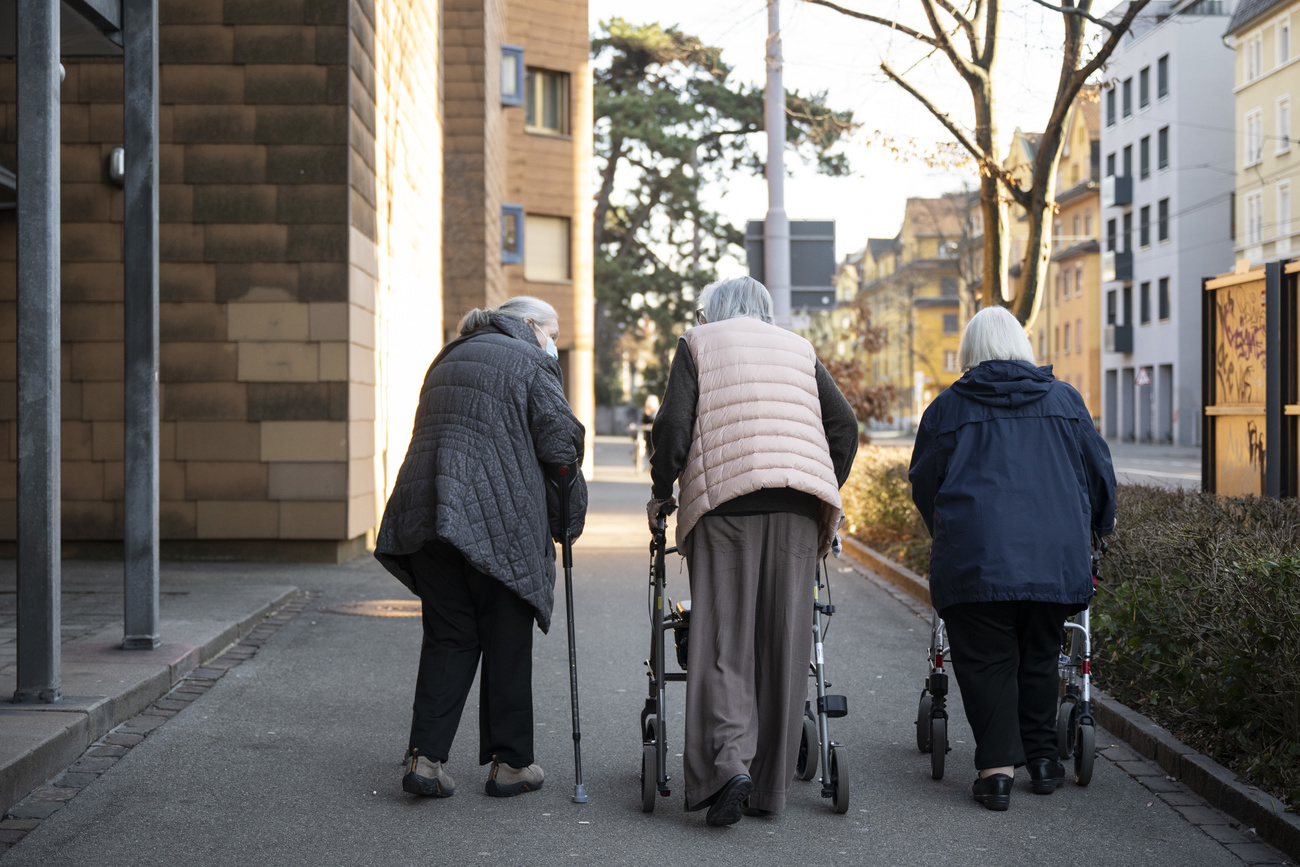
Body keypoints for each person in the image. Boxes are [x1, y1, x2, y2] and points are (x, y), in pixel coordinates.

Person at [647, 276, 858, 826]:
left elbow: (673, 425)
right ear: (765, 311)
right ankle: (769, 788)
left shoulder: (699, 343)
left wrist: (662, 489)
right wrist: (822, 483)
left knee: (724, 640)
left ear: (712, 311)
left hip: (726, 510)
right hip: (796, 511)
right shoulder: (800, 348)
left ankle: (727, 766)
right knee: (785, 644)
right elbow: (845, 426)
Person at [374, 296, 588, 800]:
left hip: (429, 513)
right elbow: (560, 446)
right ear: (529, 325)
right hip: (500, 517)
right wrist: (566, 523)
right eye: (553, 335)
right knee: (506, 639)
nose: (554, 345)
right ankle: (510, 765)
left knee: (449, 636)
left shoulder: (450, 355)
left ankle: (424, 761)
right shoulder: (530, 360)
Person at [908, 305, 1116, 811]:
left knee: (985, 661)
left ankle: (996, 772)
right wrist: (1098, 529)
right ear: (1022, 345)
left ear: (970, 351)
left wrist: (946, 531)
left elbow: (924, 483)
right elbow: (1099, 474)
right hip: (1054, 560)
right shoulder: (1066, 400)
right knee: (1041, 655)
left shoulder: (947, 408)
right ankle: (1045, 763)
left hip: (976, 560)